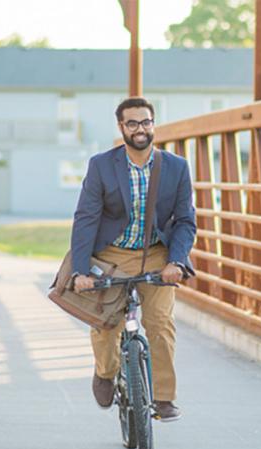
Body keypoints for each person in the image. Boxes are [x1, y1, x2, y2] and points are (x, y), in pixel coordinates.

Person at [70, 97, 196, 422]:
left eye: (146, 122)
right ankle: (106, 372)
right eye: (133, 123)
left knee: (160, 323)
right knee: (106, 324)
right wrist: (82, 271)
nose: (140, 129)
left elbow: (185, 220)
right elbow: (86, 218)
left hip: (155, 253)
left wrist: (177, 262)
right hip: (112, 252)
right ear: (121, 128)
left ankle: (164, 398)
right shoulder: (101, 166)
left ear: (153, 124)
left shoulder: (176, 167)